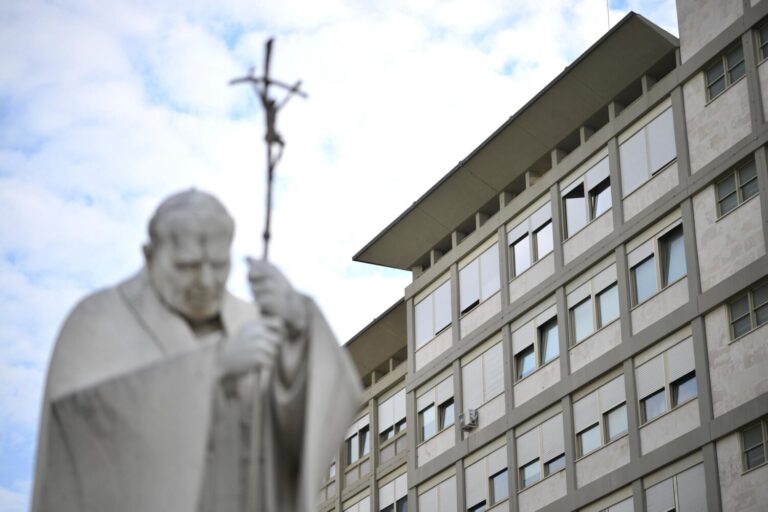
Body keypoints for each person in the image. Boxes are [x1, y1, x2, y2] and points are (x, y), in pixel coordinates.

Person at [30, 189, 362, 512]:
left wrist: (298, 326)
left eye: (218, 265)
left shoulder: (250, 322)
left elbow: (300, 435)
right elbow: (79, 430)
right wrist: (213, 366)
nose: (205, 280)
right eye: (186, 266)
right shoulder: (98, 321)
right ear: (149, 255)